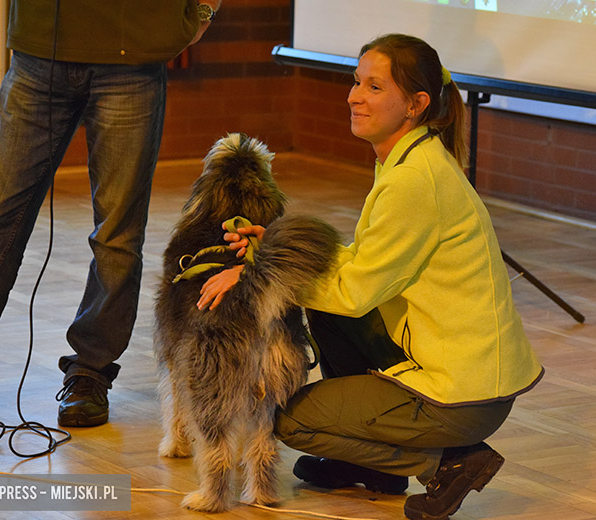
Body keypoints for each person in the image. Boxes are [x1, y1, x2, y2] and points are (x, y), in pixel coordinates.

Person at [197, 34, 544, 520]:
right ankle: (370, 465)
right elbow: (361, 263)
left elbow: (355, 291)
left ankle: (452, 460)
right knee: (326, 311)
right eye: (357, 82)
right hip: (458, 374)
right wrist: (273, 247)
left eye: (374, 87)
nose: (354, 96)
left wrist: (257, 274)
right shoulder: (407, 159)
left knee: (292, 420)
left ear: (416, 105)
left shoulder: (413, 180)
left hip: (461, 397)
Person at [0, 0, 222, 427]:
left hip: (133, 60)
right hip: (38, 51)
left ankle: (90, 371)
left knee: (117, 235)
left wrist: (203, 10)